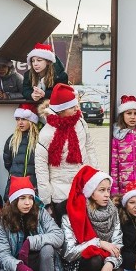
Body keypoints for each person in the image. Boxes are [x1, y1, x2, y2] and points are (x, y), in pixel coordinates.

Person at [62, 166, 124, 271]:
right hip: (78, 265)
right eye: (101, 190)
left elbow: (117, 244)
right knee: (94, 258)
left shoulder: (113, 213)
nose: (107, 195)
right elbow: (69, 253)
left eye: (108, 190)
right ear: (90, 192)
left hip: (104, 260)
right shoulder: (72, 216)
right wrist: (98, 243)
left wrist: (110, 263)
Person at [34, 84, 98, 222]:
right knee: (65, 233)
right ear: (60, 110)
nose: (77, 108)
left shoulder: (80, 122)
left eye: (76, 105)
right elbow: (41, 169)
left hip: (83, 189)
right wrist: (46, 201)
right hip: (60, 195)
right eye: (72, 106)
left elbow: (89, 147)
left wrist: (95, 178)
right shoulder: (46, 134)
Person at [3, 104, 39, 199]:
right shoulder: (12, 139)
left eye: (23, 119)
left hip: (33, 184)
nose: (20, 123)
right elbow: (8, 163)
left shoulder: (38, 140)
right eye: (17, 119)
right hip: (15, 184)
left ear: (31, 121)